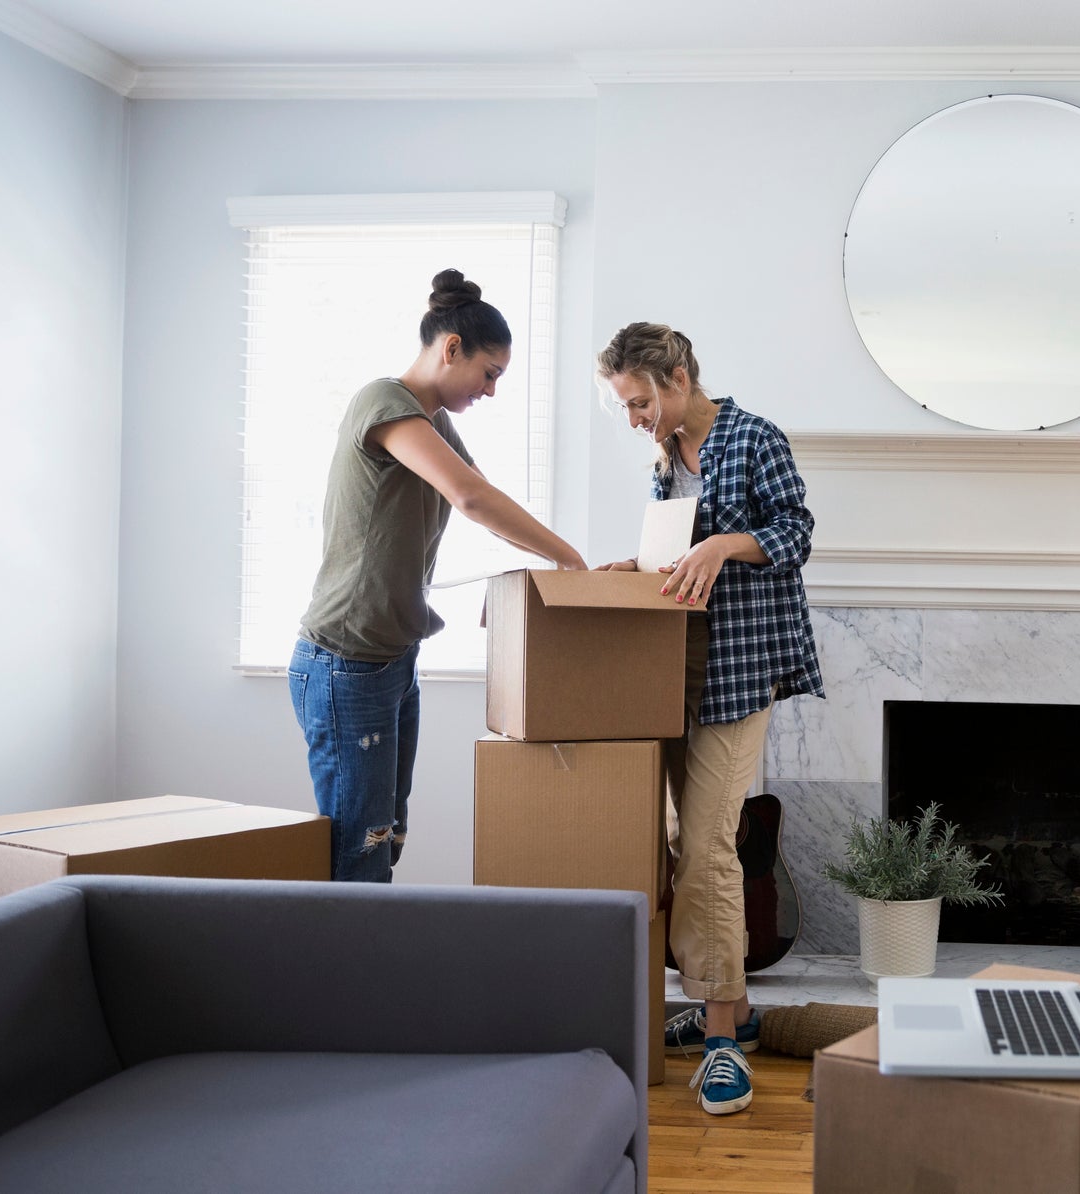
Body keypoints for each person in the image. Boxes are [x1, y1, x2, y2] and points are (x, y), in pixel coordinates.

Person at [293, 269, 586, 883]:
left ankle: (368, 970)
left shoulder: (430, 422)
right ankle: (345, 978)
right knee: (360, 851)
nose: (492, 390)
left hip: (392, 660)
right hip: (346, 661)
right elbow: (471, 496)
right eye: (490, 373)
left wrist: (546, 570)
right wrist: (568, 557)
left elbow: (480, 502)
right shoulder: (384, 403)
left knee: (386, 839)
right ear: (451, 348)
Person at [597, 322, 823, 1116]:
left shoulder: (753, 438)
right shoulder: (665, 458)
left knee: (708, 847)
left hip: (738, 668)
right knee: (670, 841)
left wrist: (725, 543)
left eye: (637, 402)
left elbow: (795, 532)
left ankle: (724, 1038)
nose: (632, 419)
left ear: (679, 378)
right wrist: (641, 567)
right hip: (673, 669)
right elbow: (675, 551)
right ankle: (719, 1007)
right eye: (622, 406)